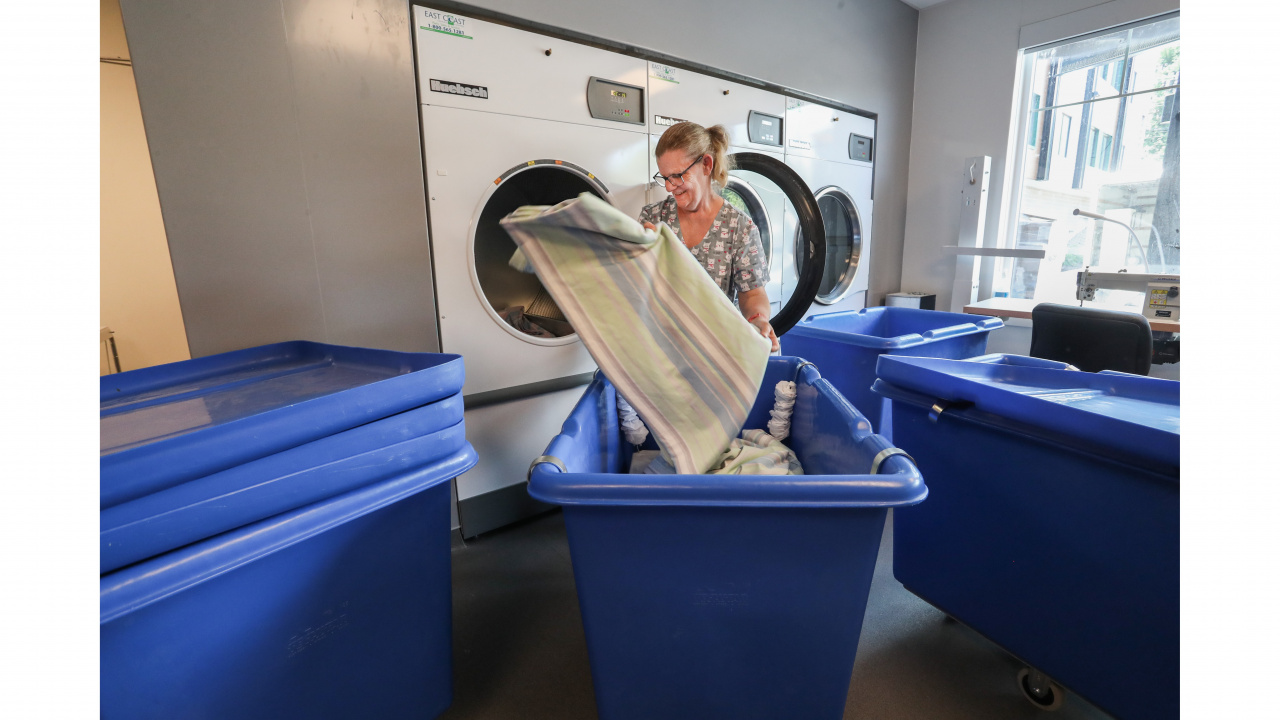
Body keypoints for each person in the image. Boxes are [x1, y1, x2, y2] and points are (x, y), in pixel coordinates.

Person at [639, 122, 779, 352]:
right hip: (658, 347)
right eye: (663, 177)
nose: (668, 187)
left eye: (677, 176)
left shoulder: (739, 227)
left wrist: (758, 319)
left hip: (714, 350)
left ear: (706, 164)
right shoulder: (653, 217)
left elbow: (752, 293)